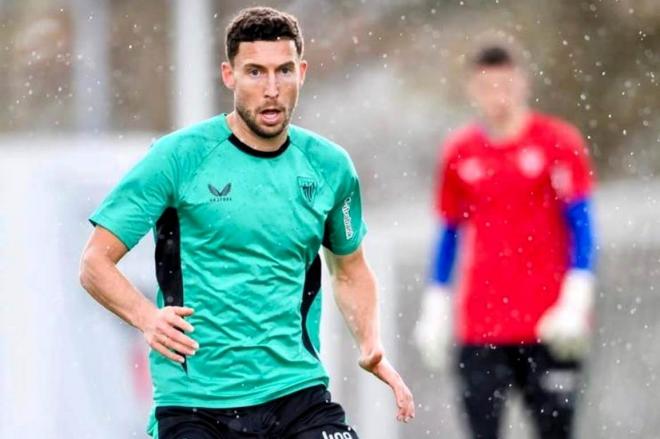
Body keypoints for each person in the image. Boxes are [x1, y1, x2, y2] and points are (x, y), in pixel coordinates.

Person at [79, 7, 414, 438]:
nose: (272, 89)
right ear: (228, 75)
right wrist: (147, 317)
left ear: (302, 72)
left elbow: (349, 270)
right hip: (196, 402)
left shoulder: (330, 168)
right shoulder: (178, 157)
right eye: (255, 72)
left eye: (284, 71)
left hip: (296, 394)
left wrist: (370, 344)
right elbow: (94, 263)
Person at [414, 41, 596, 439]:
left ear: (523, 84)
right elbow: (449, 233)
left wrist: (576, 299)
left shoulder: (558, 143)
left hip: (549, 326)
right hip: (482, 328)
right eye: (487, 86)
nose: (498, 96)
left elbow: (582, 225)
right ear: (472, 90)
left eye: (506, 85)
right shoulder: (460, 152)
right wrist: (436, 304)